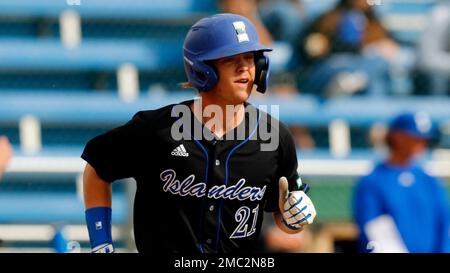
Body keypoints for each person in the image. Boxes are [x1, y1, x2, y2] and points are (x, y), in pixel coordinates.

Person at [81, 13, 316, 253]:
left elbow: (281, 216)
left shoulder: (273, 137)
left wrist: (291, 220)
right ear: (203, 68)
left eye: (249, 57)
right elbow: (97, 169)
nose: (244, 67)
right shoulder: (156, 130)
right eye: (230, 59)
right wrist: (101, 244)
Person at [353, 112, 450, 253]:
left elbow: (443, 222)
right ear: (396, 137)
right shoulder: (373, 181)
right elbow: (373, 226)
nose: (421, 143)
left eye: (423, 139)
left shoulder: (429, 180)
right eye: (414, 138)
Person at [291, 0, 399, 98]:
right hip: (331, 66)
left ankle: (354, 82)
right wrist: (315, 46)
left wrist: (380, 48)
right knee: (371, 78)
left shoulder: (376, 25)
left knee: (379, 71)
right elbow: (307, 47)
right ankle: (353, 81)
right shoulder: (328, 18)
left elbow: (391, 47)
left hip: (359, 68)